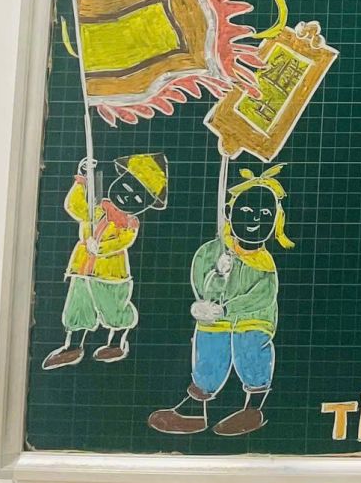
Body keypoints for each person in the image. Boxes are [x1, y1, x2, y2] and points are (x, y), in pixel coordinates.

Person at [148, 164, 293, 438]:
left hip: (252, 321)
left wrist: (228, 308)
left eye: (265, 214)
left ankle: (254, 407)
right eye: (246, 211)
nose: (255, 219)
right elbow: (199, 279)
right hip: (214, 317)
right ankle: (195, 408)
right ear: (229, 212)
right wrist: (216, 276)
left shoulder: (264, 264)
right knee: (209, 352)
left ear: (277, 220)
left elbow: (262, 296)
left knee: (250, 351)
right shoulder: (213, 251)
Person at [42, 153, 169, 369]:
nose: (127, 197)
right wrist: (82, 179)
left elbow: (122, 242)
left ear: (146, 206)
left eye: (138, 199)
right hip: (83, 270)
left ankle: (117, 342)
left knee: (113, 310)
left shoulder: (129, 223)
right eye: (125, 188)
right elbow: (74, 206)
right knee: (78, 306)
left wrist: (99, 248)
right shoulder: (97, 208)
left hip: (110, 277)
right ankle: (73, 347)